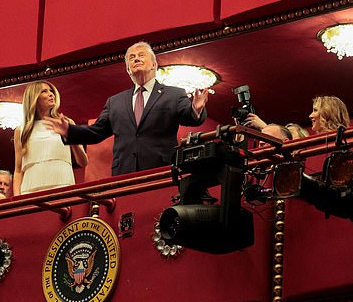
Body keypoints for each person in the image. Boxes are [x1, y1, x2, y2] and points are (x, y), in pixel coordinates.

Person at [44, 42, 209, 176]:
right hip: (124, 173)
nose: (136, 59)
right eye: (131, 57)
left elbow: (189, 117)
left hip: (161, 171)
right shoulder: (115, 102)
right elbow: (96, 132)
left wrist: (195, 108)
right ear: (128, 69)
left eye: (141, 55)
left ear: (154, 65)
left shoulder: (173, 94)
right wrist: (69, 131)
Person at [14, 81, 88, 194]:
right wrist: (17, 200)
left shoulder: (66, 123)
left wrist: (70, 136)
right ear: (34, 98)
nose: (51, 94)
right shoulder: (21, 130)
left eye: (51, 91)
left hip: (63, 186)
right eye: (44, 91)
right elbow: (18, 171)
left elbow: (83, 162)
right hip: (30, 191)